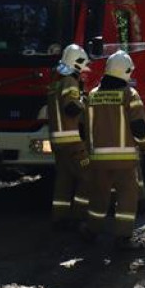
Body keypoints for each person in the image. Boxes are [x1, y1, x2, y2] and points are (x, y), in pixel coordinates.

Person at [82, 50, 145, 247]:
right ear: (126, 72)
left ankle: (92, 230)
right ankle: (122, 236)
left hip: (98, 160)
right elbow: (139, 128)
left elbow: (83, 127)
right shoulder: (130, 95)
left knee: (98, 196)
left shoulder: (92, 96)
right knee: (126, 197)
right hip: (125, 160)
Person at [48, 43, 91, 229]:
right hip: (72, 142)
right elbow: (71, 108)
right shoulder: (70, 82)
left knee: (64, 180)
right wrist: (84, 100)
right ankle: (79, 216)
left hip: (57, 141)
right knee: (88, 176)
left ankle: (60, 217)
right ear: (77, 63)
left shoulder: (54, 83)